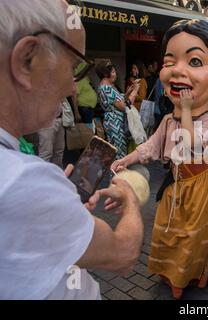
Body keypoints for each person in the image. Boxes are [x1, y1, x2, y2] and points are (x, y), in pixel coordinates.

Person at [0, 0, 143, 300]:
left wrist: (58, 211)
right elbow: (122, 252)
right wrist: (130, 199)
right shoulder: (20, 182)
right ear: (27, 60)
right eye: (73, 67)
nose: (72, 88)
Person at [111, 19, 208, 299]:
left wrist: (188, 109)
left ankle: (196, 275)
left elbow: (191, 144)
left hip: (200, 186)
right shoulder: (168, 120)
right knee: (169, 231)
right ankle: (173, 274)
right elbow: (149, 148)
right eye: (170, 61)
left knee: (194, 235)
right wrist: (125, 160)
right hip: (175, 185)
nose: (178, 71)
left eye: (194, 61)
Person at [97, 61, 140, 159]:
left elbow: (117, 102)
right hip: (115, 123)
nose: (115, 74)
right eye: (112, 72)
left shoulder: (106, 87)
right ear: (105, 73)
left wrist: (128, 92)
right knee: (119, 154)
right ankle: (118, 174)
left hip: (114, 122)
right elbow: (125, 106)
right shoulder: (106, 88)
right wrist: (135, 92)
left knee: (118, 151)